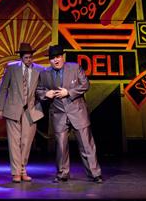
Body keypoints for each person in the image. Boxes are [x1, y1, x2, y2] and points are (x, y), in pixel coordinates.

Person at [37, 45, 103, 184]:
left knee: (86, 144)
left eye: (58, 57)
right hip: (58, 114)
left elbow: (85, 85)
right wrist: (45, 94)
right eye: (53, 58)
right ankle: (62, 174)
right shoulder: (44, 73)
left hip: (77, 112)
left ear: (63, 57)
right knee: (61, 146)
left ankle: (95, 174)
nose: (56, 60)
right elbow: (39, 90)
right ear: (49, 60)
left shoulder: (75, 68)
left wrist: (69, 92)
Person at [0, 42, 44, 183]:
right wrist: (0, 108)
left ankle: (23, 170)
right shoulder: (11, 68)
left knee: (26, 142)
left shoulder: (39, 70)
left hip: (31, 110)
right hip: (13, 109)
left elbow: (42, 88)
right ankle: (16, 172)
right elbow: (3, 88)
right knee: (14, 142)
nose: (29, 60)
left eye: (31, 57)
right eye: (26, 57)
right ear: (21, 57)